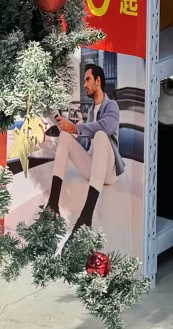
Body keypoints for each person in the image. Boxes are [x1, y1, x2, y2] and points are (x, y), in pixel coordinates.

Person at [45, 63, 124, 233]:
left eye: (87, 79)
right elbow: (85, 139)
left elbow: (106, 127)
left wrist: (75, 128)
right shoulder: (90, 110)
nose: (84, 84)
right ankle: (52, 205)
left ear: (98, 81)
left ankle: (86, 216)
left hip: (108, 172)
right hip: (92, 166)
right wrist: (68, 129)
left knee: (101, 135)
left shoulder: (112, 106)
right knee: (65, 136)